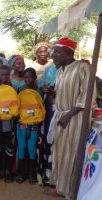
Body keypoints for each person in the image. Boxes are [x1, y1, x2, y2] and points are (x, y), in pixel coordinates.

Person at [46, 37, 90, 199]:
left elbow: (87, 94)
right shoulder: (59, 71)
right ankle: (59, 186)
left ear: (69, 52)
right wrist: (53, 94)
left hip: (76, 118)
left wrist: (69, 115)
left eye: (57, 52)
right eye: (54, 52)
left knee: (71, 153)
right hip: (62, 116)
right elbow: (63, 93)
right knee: (60, 152)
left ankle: (70, 191)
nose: (54, 55)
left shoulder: (83, 67)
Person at [15, 68, 41, 185]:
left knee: (31, 148)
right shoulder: (19, 90)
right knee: (21, 147)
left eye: (30, 77)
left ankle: (32, 172)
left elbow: (41, 109)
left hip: (34, 124)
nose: (28, 79)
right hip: (21, 124)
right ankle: (21, 172)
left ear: (35, 78)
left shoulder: (39, 91)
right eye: (26, 77)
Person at [0, 65, 15, 183]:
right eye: (2, 74)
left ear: (9, 75)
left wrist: (15, 114)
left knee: (9, 148)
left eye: (6, 74)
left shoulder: (13, 88)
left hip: (9, 125)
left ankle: (8, 172)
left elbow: (16, 105)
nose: (4, 76)